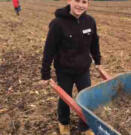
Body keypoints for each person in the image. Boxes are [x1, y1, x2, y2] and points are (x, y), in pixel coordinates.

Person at [40, 0, 101, 134]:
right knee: (65, 99)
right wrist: (45, 73)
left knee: (86, 99)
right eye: (77, 1)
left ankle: (85, 126)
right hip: (64, 71)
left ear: (88, 4)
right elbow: (49, 49)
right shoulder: (57, 24)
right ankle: (64, 122)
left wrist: (98, 60)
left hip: (83, 70)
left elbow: (94, 42)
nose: (80, 5)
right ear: (69, 1)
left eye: (84, 2)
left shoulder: (90, 21)